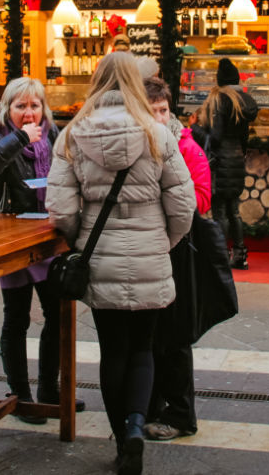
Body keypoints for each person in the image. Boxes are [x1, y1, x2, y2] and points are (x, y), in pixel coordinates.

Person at [46, 51, 194, 475]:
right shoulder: (157, 133)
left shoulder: (73, 135)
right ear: (134, 81)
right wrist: (164, 241)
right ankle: (135, 425)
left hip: (100, 252)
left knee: (113, 349)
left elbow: (59, 207)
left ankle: (119, 435)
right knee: (144, 347)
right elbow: (182, 203)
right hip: (150, 248)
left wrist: (80, 241)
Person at [0, 76, 82, 424]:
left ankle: (50, 389)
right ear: (7, 109)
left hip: (47, 237)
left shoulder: (53, 136)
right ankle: (20, 394)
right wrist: (18, 140)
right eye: (20, 106)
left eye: (34, 105)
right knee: (16, 318)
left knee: (56, 313)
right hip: (13, 239)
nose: (28, 113)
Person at [143, 76, 211, 443]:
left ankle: (181, 414)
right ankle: (151, 406)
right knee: (152, 335)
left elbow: (202, 196)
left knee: (174, 335)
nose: (159, 118)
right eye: (151, 111)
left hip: (179, 249)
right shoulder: (138, 144)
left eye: (163, 110)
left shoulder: (186, 146)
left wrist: (165, 210)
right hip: (149, 249)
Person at [198, 58, 259, 270]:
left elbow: (214, 137)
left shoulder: (218, 99)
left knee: (220, 212)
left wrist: (196, 130)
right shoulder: (241, 101)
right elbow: (243, 137)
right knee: (234, 210)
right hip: (236, 160)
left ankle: (221, 254)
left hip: (220, 160)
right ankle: (240, 254)